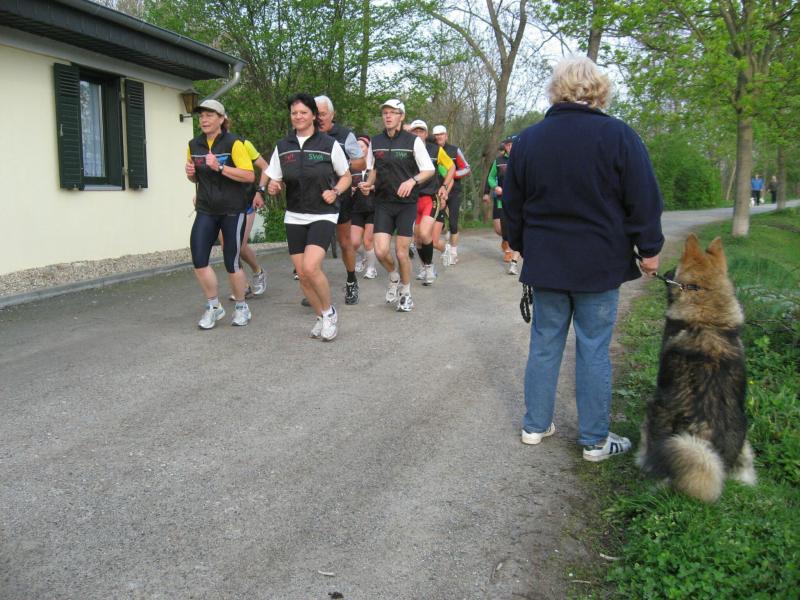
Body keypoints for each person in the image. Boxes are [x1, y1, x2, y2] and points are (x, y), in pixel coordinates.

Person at [503, 56, 664, 462]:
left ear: (556, 90)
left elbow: (513, 205)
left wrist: (520, 244)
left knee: (544, 344)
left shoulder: (528, 141)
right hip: (599, 263)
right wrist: (649, 250)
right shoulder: (619, 136)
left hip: (547, 263)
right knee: (593, 348)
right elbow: (643, 198)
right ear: (598, 90)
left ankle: (535, 426)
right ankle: (594, 440)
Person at [266, 93, 351, 341]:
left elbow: (346, 176)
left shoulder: (328, 144)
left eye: (303, 112)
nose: (298, 117)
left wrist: (335, 191)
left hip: (323, 213)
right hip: (294, 215)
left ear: (314, 115)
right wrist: (273, 186)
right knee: (302, 274)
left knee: (311, 267)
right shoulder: (283, 146)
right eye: (294, 113)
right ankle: (321, 316)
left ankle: (329, 312)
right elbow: (275, 178)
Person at [185, 99, 255, 329]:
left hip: (232, 210)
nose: (204, 120)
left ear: (221, 119)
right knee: (199, 259)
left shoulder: (234, 143)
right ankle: (214, 307)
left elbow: (249, 175)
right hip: (206, 209)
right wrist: (190, 173)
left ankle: (242, 307)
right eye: (201, 116)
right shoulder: (193, 144)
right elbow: (195, 177)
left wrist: (221, 167)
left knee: (230, 260)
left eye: (209, 115)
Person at [365, 99, 435, 312]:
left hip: (406, 204)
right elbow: (373, 168)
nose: (388, 116)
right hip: (383, 203)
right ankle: (393, 276)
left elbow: (428, 170)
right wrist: (367, 184)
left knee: (402, 252)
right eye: (385, 112)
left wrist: (412, 181)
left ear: (401, 116)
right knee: (380, 251)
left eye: (393, 112)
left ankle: (406, 293)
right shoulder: (375, 141)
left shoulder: (413, 141)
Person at [315, 95, 366, 305]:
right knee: (315, 244)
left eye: (323, 114)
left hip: (340, 194)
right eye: (316, 114)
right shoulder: (308, 134)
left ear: (332, 114)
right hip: (315, 196)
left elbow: (361, 163)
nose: (319, 118)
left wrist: (340, 165)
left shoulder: (345, 135)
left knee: (345, 242)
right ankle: (315, 287)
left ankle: (352, 281)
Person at [217, 137, 268, 300]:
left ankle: (258, 271)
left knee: (240, 246)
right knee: (227, 246)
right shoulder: (207, 146)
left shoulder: (242, 143)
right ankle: (243, 286)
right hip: (220, 205)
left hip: (244, 202)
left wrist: (260, 191)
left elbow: (265, 167)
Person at [408, 119, 455, 285]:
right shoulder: (406, 150)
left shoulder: (435, 149)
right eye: (415, 131)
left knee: (424, 233)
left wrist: (444, 187)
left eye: (421, 131)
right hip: (412, 199)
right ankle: (425, 267)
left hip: (430, 198)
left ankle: (429, 268)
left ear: (426, 134)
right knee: (417, 239)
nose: (418, 134)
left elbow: (451, 167)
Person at [432, 125, 471, 265]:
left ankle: (453, 252)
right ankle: (443, 245)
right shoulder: (430, 149)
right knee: (437, 224)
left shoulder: (454, 150)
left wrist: (451, 174)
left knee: (453, 223)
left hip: (454, 191)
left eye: (441, 134)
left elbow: (466, 169)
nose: (439, 137)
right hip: (435, 192)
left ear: (446, 135)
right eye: (436, 135)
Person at [488, 136, 521, 274]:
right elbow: (490, 177)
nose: (510, 147)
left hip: (519, 200)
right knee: (503, 229)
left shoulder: (523, 158)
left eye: (512, 144)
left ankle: (513, 261)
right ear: (505, 147)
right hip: (502, 200)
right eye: (508, 145)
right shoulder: (499, 161)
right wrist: (495, 187)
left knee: (519, 229)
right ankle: (506, 241)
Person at [349, 135, 378, 279]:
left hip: (373, 208)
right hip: (356, 208)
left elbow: (384, 185)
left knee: (368, 241)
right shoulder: (352, 165)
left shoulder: (375, 165)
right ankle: (363, 257)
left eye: (362, 146)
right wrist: (351, 189)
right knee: (354, 242)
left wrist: (372, 187)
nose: (359, 149)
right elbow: (345, 181)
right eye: (357, 146)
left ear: (368, 148)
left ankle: (371, 269)